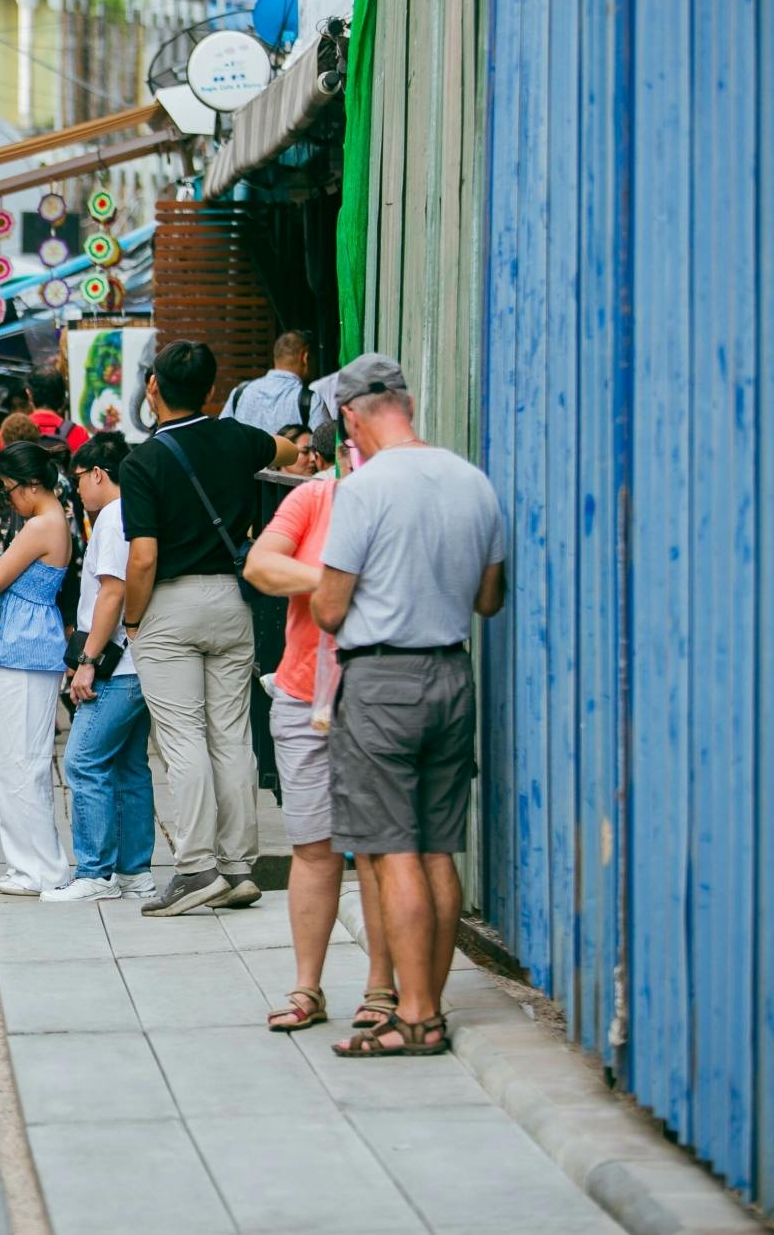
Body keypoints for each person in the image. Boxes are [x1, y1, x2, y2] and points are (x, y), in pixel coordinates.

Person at [311, 354, 506, 1058]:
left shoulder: (364, 489)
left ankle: (416, 1014)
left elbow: (330, 610)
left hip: (382, 680)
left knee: (393, 850)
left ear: (353, 418)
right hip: (453, 675)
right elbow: (490, 598)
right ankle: (433, 997)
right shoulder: (472, 481)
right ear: (408, 401)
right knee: (438, 848)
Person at [120, 339, 297, 918]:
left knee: (182, 739)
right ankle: (239, 868)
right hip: (230, 600)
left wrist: (133, 619)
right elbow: (290, 450)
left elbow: (142, 557)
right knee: (231, 734)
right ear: (214, 391)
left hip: (170, 603)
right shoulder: (238, 436)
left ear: (153, 388)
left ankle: (195, 868)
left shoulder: (142, 461)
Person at [245, 424, 399, 1032]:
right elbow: (261, 565)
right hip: (304, 695)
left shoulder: (398, 501)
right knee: (312, 849)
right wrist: (335, 580)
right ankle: (307, 988)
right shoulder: (314, 498)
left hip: (379, 699)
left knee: (380, 854)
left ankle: (382, 988)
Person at [0, 442, 74, 897]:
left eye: (8, 490)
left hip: (27, 650)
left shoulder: (42, 524)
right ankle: (28, 864)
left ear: (30, 485)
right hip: (26, 645)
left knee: (22, 762)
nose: (8, 500)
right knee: (16, 760)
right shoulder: (50, 519)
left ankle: (42, 868)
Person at [45, 433, 158, 902]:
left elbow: (112, 591)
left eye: (78, 479)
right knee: (131, 766)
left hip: (117, 664)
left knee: (83, 761)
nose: (76, 491)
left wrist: (88, 661)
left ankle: (95, 872)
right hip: (139, 660)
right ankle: (135, 872)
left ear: (97, 473)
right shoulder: (136, 511)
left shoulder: (112, 517)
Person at [220, 330, 314, 435]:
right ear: (305, 357)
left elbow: (220, 436)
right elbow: (324, 446)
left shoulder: (240, 392)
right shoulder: (311, 400)